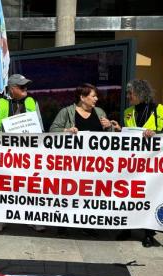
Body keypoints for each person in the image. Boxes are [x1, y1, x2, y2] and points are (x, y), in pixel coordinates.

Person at [50, 83, 120, 238]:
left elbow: (109, 137)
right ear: (82, 97)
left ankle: (86, 224)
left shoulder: (100, 112)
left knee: (89, 194)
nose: (96, 99)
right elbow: (52, 131)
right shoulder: (67, 112)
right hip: (71, 163)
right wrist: (67, 131)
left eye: (96, 96)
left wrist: (110, 126)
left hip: (94, 164)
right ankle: (63, 223)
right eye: (93, 96)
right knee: (67, 193)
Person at [119, 79, 163, 247]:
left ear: (141, 94)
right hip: (132, 163)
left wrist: (156, 133)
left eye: (131, 94)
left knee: (149, 196)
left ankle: (148, 234)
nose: (128, 97)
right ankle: (126, 228)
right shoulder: (128, 112)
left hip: (152, 164)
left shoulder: (161, 111)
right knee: (128, 196)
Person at [0, 74, 45, 233]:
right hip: (6, 155)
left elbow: (40, 127)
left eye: (26, 86)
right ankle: (1, 219)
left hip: (28, 154)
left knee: (30, 187)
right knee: (4, 187)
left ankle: (32, 219)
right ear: (12, 89)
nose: (25, 88)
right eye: (22, 87)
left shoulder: (32, 102)